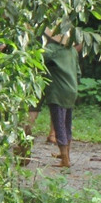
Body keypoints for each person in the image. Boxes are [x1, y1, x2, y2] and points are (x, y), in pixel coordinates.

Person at [42, 30, 80, 168]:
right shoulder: (72, 51)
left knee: (59, 124)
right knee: (67, 123)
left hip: (57, 91)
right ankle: (66, 154)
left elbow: (37, 60)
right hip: (72, 90)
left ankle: (65, 159)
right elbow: (78, 72)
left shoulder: (51, 50)